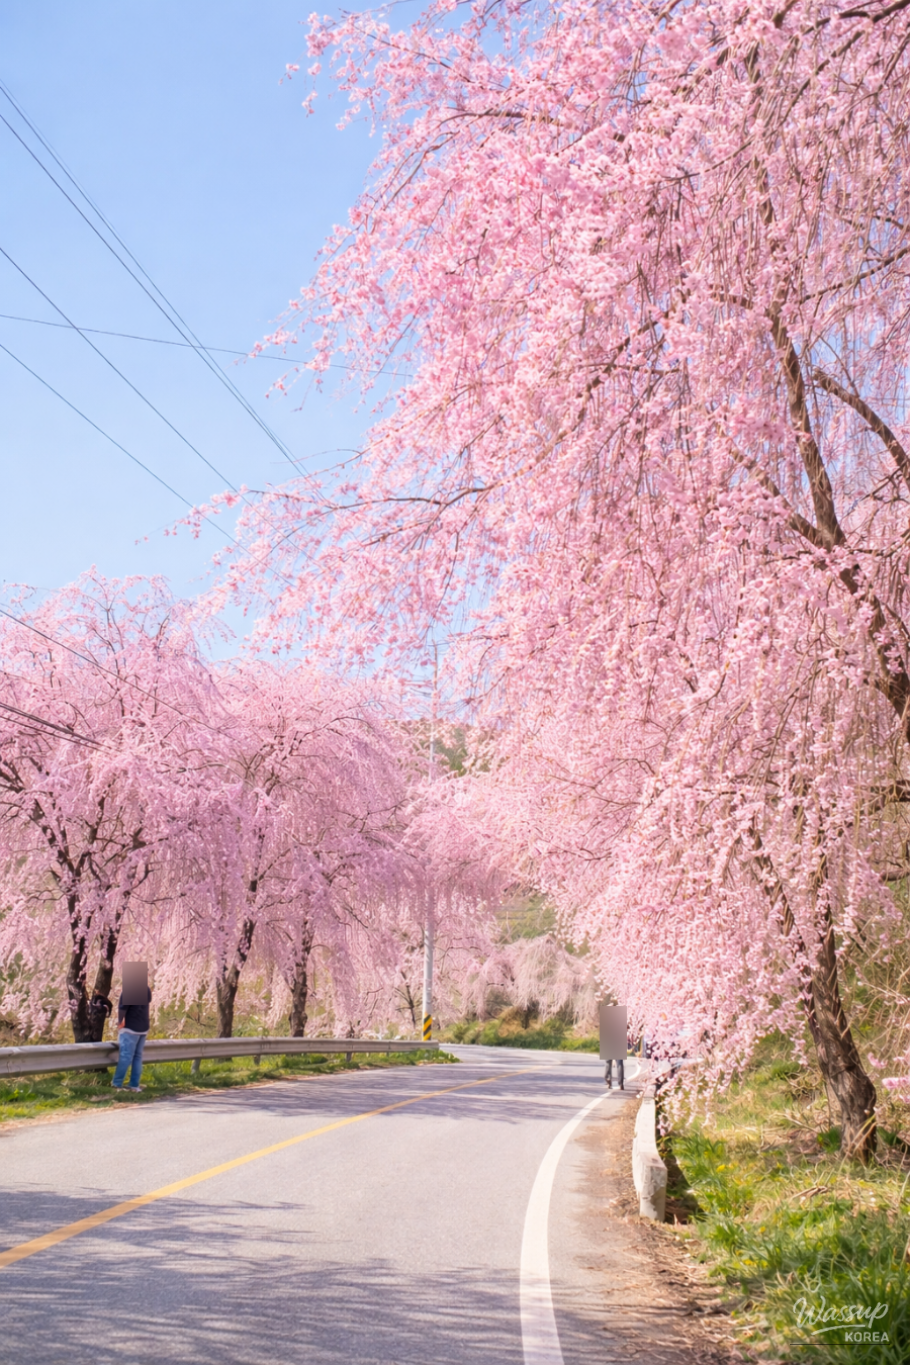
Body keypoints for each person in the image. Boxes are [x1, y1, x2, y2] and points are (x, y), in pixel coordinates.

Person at [111, 977, 152, 1092]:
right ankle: (134, 1085)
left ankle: (117, 1084)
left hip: (130, 1028)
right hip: (143, 1027)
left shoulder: (130, 989)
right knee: (137, 1057)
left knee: (125, 1056)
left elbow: (122, 1008)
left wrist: (119, 1024)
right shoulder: (147, 989)